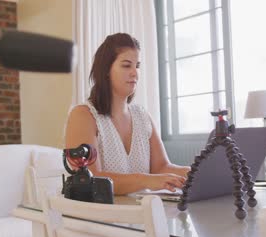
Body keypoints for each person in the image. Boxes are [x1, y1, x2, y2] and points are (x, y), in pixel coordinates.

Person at [65, 33, 189, 195]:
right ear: (106, 70)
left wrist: (195, 172)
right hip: (98, 218)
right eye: (126, 65)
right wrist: (145, 180)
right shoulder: (83, 116)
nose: (135, 73)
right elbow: (90, 180)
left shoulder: (142, 116)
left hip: (140, 215)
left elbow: (161, 168)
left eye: (137, 66)